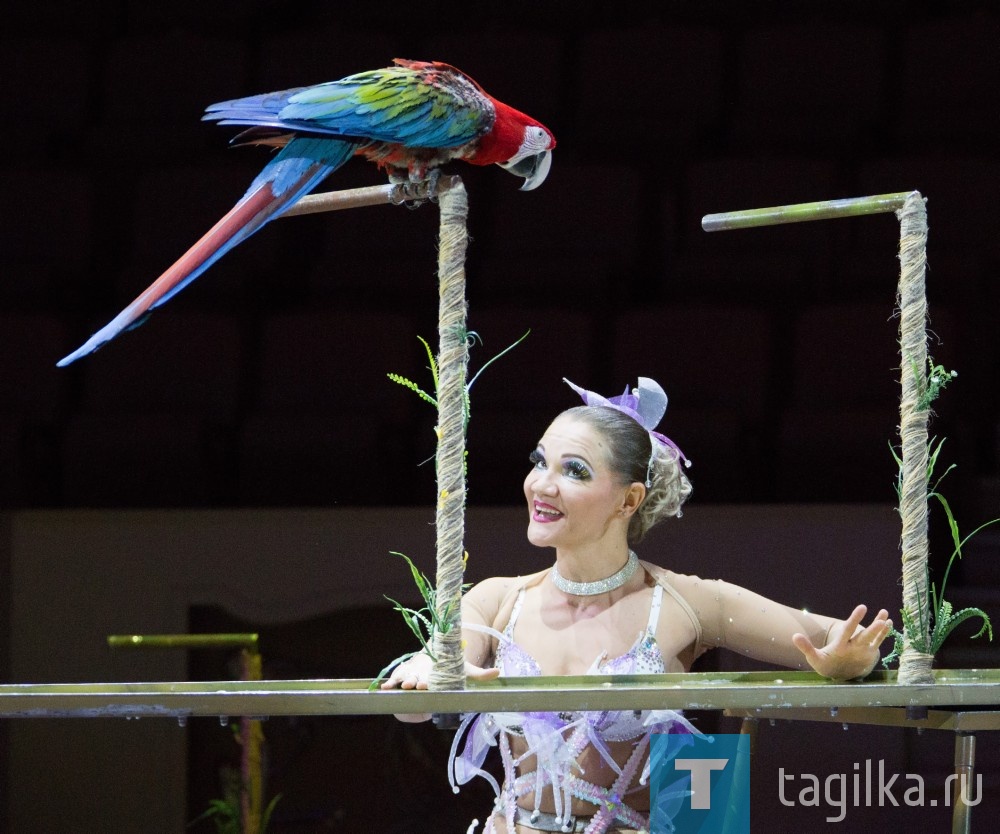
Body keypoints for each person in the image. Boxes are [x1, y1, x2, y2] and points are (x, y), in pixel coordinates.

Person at [381, 377, 893, 834]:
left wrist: (854, 662)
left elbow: (842, 639)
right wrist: (427, 667)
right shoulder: (496, 600)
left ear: (629, 500)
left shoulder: (685, 603)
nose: (541, 484)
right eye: (539, 462)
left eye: (574, 471)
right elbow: (418, 708)